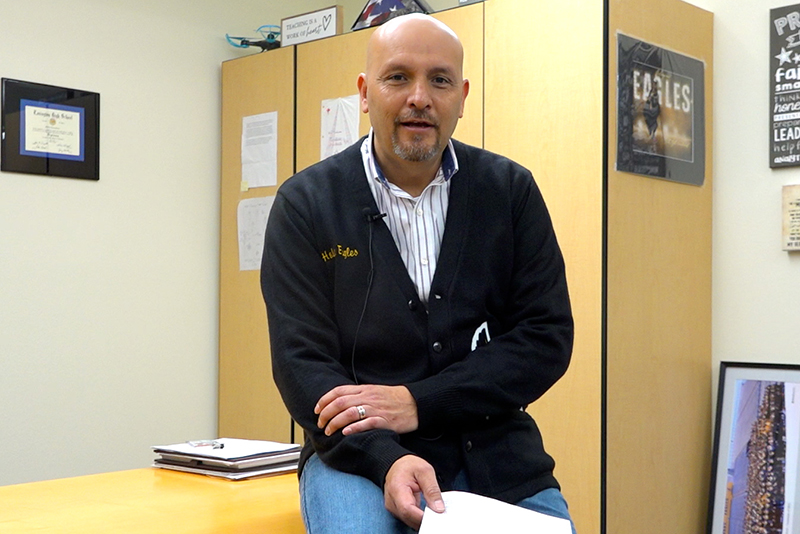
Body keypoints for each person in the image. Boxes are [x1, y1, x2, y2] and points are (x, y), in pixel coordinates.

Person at [261, 13, 575, 534]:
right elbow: (302, 365)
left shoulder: (511, 193)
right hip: (356, 456)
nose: (420, 97)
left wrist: (418, 403)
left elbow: (545, 339)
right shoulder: (306, 204)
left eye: (440, 80)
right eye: (398, 77)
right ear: (365, 92)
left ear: (462, 95)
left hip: (495, 450)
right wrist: (385, 457)